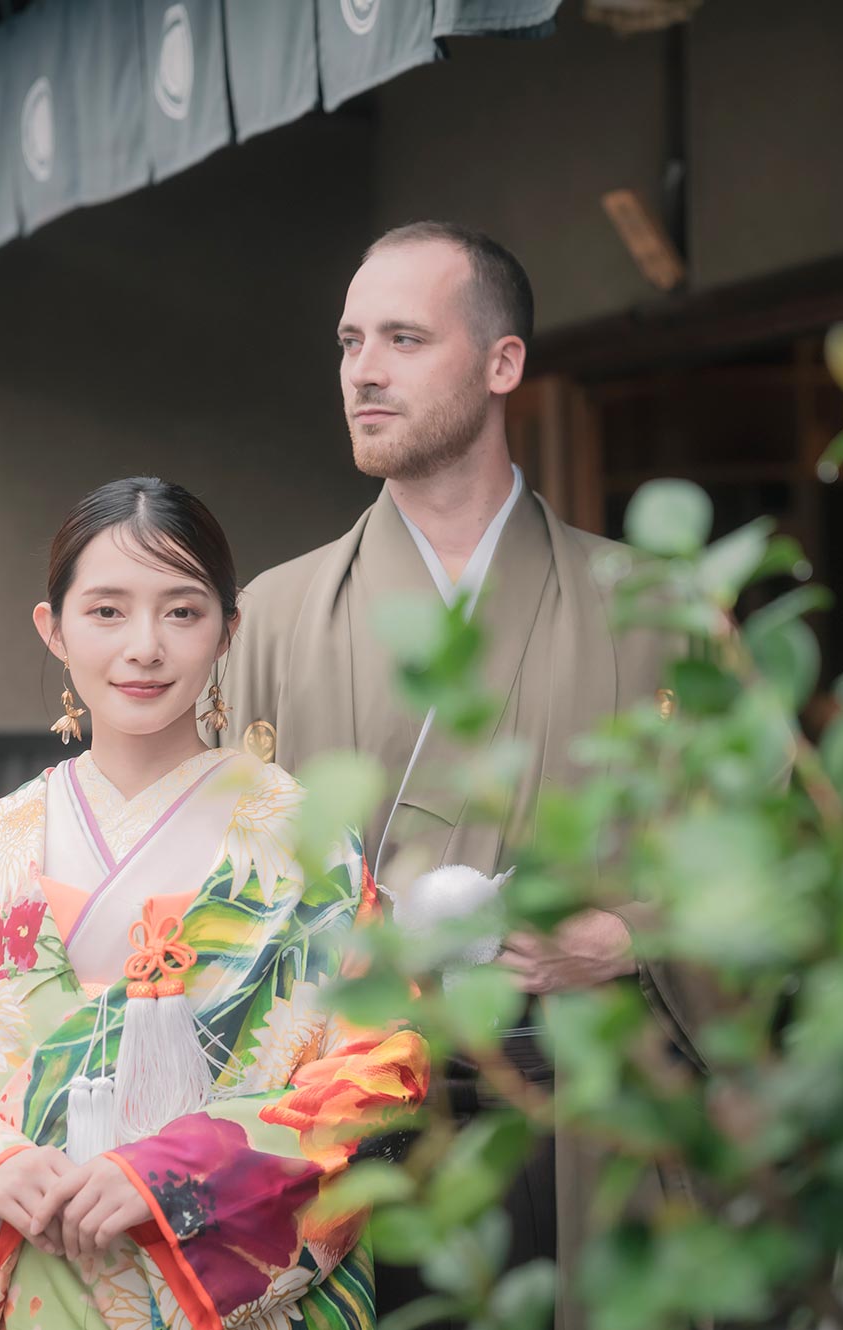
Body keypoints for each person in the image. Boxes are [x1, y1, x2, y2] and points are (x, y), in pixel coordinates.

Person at [213, 223, 699, 1330]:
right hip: (343, 1131)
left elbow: (766, 863)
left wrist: (628, 938)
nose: (361, 371)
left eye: (400, 337)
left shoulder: (650, 608)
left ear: (501, 364)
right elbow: (208, 899)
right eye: (347, 341)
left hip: (574, 1113)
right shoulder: (271, 622)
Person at [0, 478, 427, 1330]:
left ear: (230, 629)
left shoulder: (303, 842)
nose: (144, 647)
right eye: (107, 611)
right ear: (54, 630)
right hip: (27, 1280)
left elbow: (381, 1066)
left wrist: (172, 1176)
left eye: (183, 612)